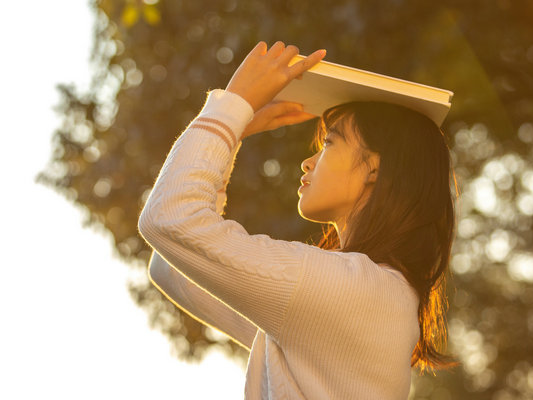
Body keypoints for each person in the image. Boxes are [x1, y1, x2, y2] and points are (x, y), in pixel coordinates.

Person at [138, 41, 458, 400]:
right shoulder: (359, 294)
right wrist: (234, 135)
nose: (308, 164)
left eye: (330, 144)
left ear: (374, 168)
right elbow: (172, 268)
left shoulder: (355, 291)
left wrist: (233, 107)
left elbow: (169, 220)